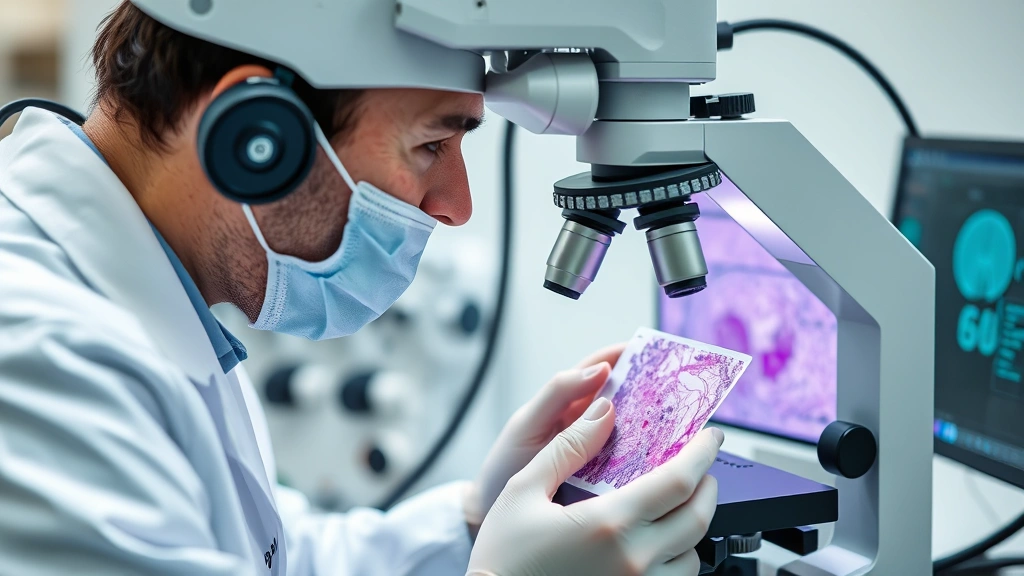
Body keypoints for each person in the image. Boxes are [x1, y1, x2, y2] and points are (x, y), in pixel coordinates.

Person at [0, 3, 723, 575]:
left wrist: (478, 518)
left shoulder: (158, 305)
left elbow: (272, 558)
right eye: (431, 145)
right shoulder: (38, 360)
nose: (455, 205)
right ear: (258, 137)